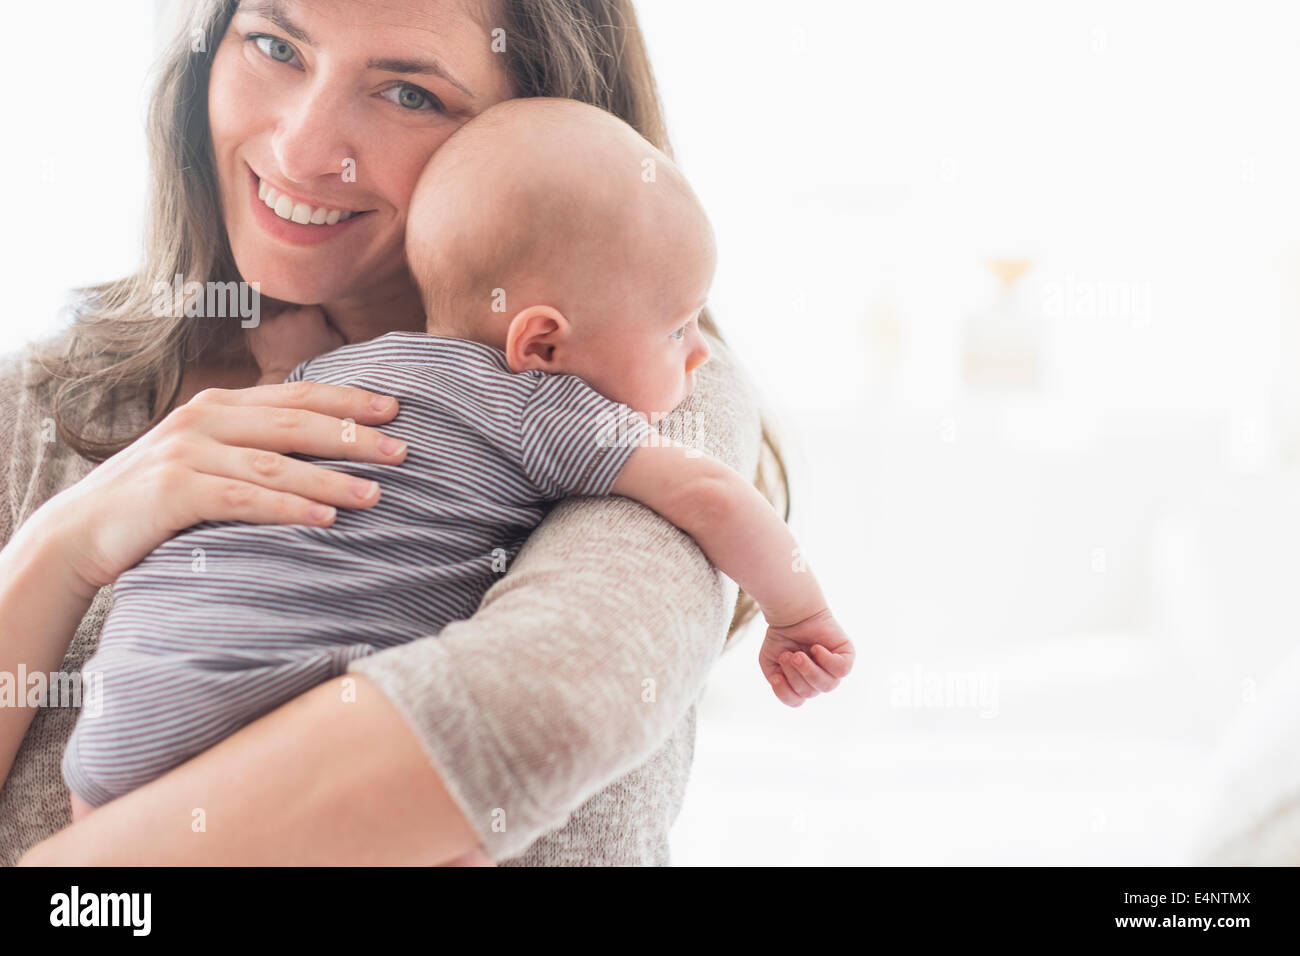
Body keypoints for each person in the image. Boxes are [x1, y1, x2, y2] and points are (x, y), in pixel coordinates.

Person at [1, 0, 808, 866]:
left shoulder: (646, 387)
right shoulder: (47, 400)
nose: (302, 150)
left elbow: (542, 710)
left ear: (539, 124)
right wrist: (66, 542)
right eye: (275, 45)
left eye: (409, 95)